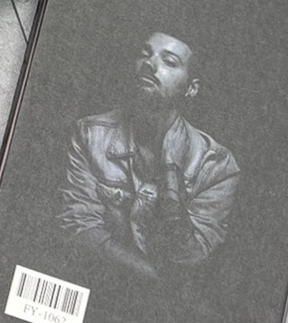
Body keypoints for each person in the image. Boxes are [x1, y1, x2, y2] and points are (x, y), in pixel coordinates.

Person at [59, 32, 238, 286]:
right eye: (145, 54)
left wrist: (171, 170)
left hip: (174, 305)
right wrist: (155, 280)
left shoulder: (217, 165)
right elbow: (79, 227)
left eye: (169, 61)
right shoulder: (89, 133)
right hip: (96, 284)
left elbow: (191, 256)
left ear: (192, 88)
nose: (149, 64)